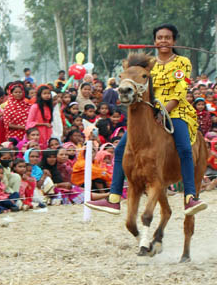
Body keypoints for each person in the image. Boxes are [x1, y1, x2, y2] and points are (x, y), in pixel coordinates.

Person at [87, 24, 207, 215]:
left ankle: (190, 197)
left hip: (176, 112)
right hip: (150, 112)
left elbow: (181, 89)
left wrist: (164, 111)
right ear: (155, 41)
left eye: (168, 37)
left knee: (185, 148)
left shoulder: (183, 62)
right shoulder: (150, 65)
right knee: (120, 150)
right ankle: (114, 198)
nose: (163, 41)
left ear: (174, 41)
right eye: (160, 38)